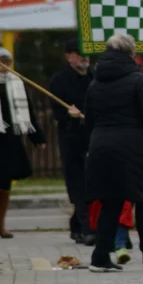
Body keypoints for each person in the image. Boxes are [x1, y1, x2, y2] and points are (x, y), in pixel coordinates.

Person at [84, 35, 143, 272]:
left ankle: (100, 257)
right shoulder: (139, 80)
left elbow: (89, 118)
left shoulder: (95, 82)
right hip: (133, 146)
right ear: (131, 53)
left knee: (110, 202)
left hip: (101, 146)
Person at [0, 47, 46, 239]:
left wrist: (38, 138)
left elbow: (29, 113)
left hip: (11, 138)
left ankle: (0, 223)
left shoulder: (16, 83)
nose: (4, 66)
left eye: (7, 62)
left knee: (7, 179)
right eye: (0, 61)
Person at [48, 39, 92, 244]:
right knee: (77, 183)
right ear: (68, 56)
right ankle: (86, 227)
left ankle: (78, 224)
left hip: (93, 137)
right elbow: (57, 112)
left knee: (91, 183)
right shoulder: (60, 80)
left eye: (86, 54)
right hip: (71, 139)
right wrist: (69, 114)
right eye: (78, 53)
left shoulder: (95, 78)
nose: (83, 57)